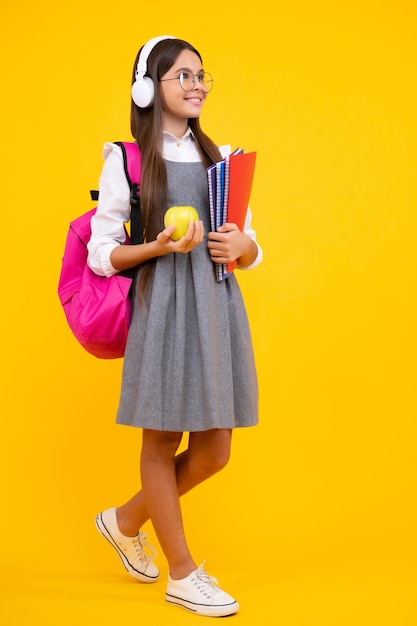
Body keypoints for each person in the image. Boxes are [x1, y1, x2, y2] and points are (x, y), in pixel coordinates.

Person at [87, 35, 262, 618]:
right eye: (183, 76)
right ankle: (183, 573)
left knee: (215, 450)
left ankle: (125, 519)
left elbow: (248, 243)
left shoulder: (224, 160)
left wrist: (245, 247)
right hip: (161, 307)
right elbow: (101, 254)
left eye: (202, 75)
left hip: (216, 307)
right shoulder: (127, 159)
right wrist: (155, 246)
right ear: (148, 88)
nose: (198, 85)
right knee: (161, 439)